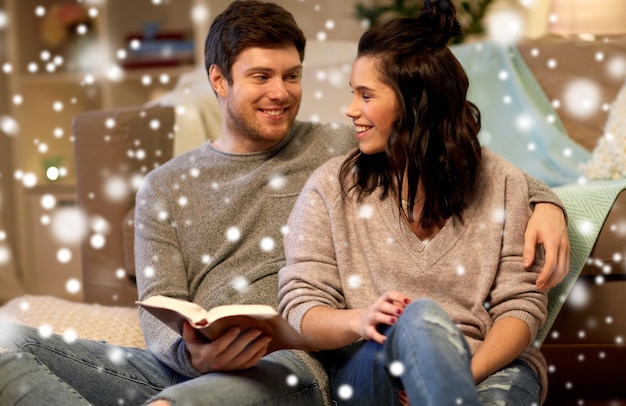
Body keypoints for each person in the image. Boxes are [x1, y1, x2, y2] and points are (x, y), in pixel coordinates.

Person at [0, 1, 564, 405]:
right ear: (219, 82)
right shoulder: (165, 187)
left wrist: (547, 204)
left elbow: (445, 150)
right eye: (261, 76)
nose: (281, 92)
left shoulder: (342, 149)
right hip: (188, 366)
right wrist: (190, 356)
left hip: (291, 362)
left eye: (292, 76)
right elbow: (157, 310)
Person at [278, 1, 551, 405]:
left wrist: (453, 376)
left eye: (366, 95)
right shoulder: (330, 187)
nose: (350, 109)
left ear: (414, 102)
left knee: (427, 324)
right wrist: (361, 320)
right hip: (372, 369)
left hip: (486, 367)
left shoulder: (503, 183)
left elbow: (521, 305)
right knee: (416, 316)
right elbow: (301, 306)